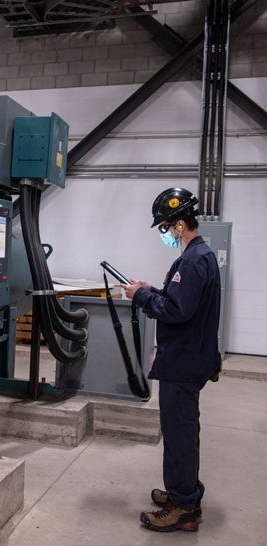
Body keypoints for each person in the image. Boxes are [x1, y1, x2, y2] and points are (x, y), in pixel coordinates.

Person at [120, 187, 221, 533]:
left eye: (166, 227)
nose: (165, 233)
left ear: (180, 224)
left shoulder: (193, 260)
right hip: (190, 358)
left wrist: (142, 297)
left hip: (183, 362)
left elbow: (177, 311)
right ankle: (185, 492)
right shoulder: (199, 256)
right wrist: (151, 290)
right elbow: (181, 301)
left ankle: (183, 507)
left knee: (178, 433)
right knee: (183, 430)